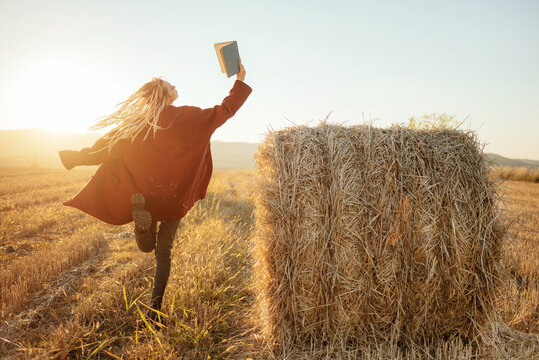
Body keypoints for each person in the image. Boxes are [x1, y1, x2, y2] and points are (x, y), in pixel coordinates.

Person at [58, 60, 251, 326]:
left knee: (146, 246)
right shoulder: (189, 116)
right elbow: (225, 110)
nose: (174, 86)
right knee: (163, 251)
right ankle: (155, 308)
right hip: (174, 195)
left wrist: (77, 157)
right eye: (170, 85)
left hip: (145, 192)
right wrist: (239, 79)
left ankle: (141, 226)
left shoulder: (139, 123)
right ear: (165, 95)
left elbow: (109, 149)